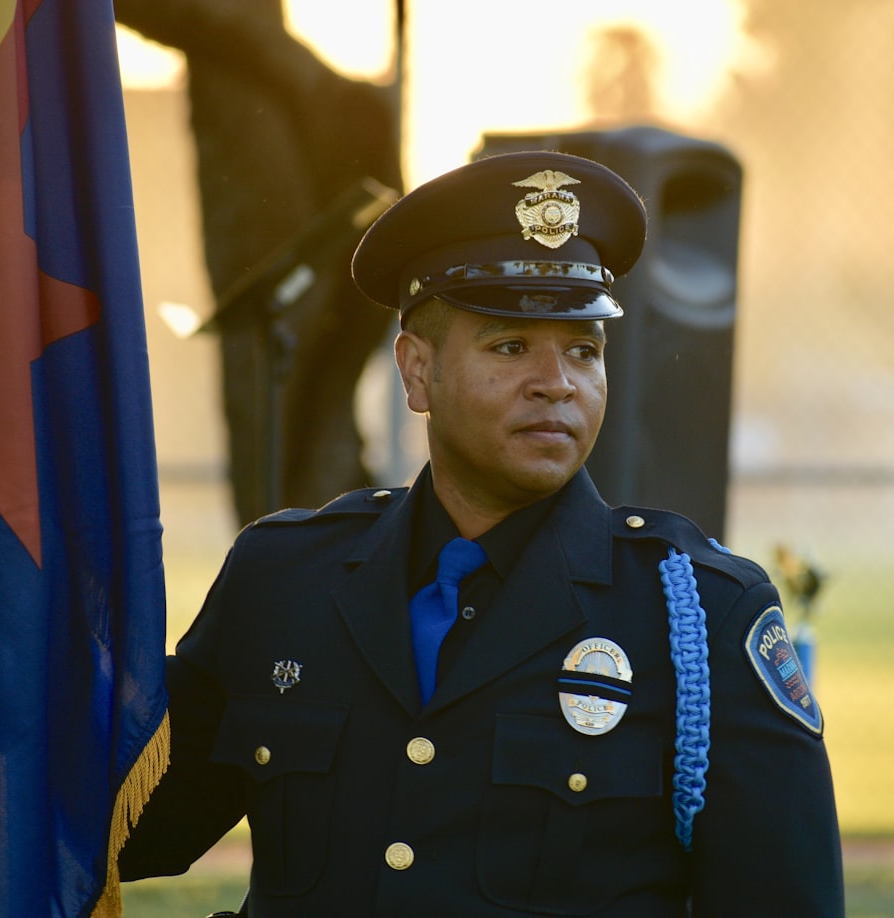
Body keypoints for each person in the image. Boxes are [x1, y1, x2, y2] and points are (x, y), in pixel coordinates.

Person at [118, 151, 844, 916]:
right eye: (510, 346)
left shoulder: (696, 615)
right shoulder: (285, 578)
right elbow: (138, 831)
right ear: (417, 371)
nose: (556, 381)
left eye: (583, 351)